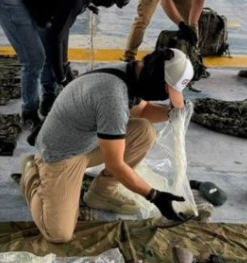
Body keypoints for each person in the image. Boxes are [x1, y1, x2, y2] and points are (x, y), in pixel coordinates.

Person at [21, 49, 193, 243]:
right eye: (167, 93)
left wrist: (174, 114)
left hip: (87, 141)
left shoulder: (135, 73)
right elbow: (115, 165)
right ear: (156, 82)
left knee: (144, 131)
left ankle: (101, 194)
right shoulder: (113, 96)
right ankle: (34, 171)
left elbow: (143, 111)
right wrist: (154, 196)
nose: (165, 98)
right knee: (59, 233)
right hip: (62, 154)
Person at [0, 0, 133, 128]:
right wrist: (62, 76)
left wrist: (64, 65)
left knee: (49, 48)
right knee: (35, 59)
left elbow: (60, 32)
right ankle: (29, 112)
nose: (108, 5)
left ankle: (49, 98)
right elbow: (57, 36)